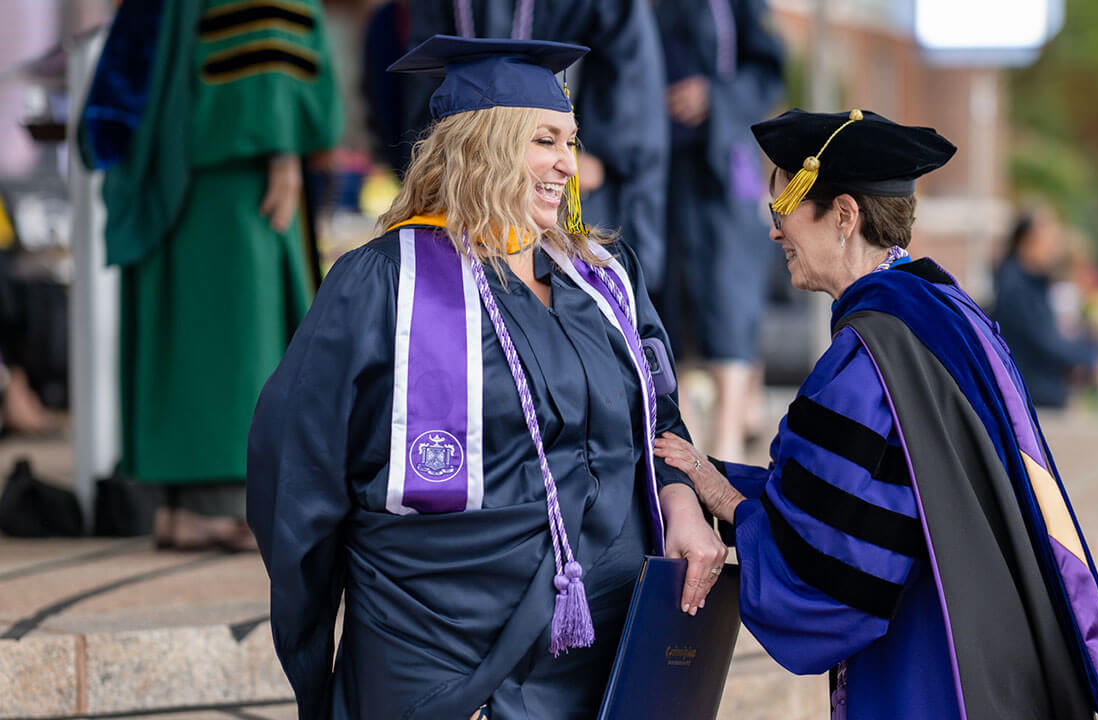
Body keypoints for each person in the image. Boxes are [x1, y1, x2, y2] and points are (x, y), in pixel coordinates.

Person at [246, 36, 725, 719]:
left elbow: (659, 417)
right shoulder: (387, 282)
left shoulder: (604, 281)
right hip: (444, 651)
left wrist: (679, 501)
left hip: (608, 651)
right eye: (545, 140)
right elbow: (296, 473)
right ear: (483, 145)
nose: (568, 163)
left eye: (571, 141)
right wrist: (313, 637)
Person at [655, 108, 1098, 719]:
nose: (775, 232)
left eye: (782, 210)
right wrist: (714, 478)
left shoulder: (869, 357)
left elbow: (840, 570)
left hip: (928, 669)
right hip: (992, 633)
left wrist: (728, 499)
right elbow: (851, 494)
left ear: (843, 216)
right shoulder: (945, 310)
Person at [78, 0, 341, 550]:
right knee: (237, 324)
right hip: (234, 153)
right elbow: (265, 30)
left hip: (176, 142)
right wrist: (281, 144)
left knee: (182, 316)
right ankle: (221, 506)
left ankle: (179, 507)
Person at [399, 0, 670, 290]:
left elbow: (631, 64)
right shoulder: (384, 273)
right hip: (467, 177)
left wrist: (590, 153)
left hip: (576, 182)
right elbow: (425, 77)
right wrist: (438, 157)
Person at [653, 0, 784, 460]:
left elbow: (768, 70)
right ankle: (677, 449)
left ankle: (726, 453)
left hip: (723, 166)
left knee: (729, 295)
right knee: (660, 296)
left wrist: (713, 95)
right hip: (654, 163)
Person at [993, 208, 1098, 409]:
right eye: (1048, 241)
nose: (1054, 249)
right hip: (1032, 394)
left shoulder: (1034, 283)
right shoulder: (1017, 287)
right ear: (1026, 242)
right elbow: (1047, 341)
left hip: (1040, 388)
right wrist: (1088, 359)